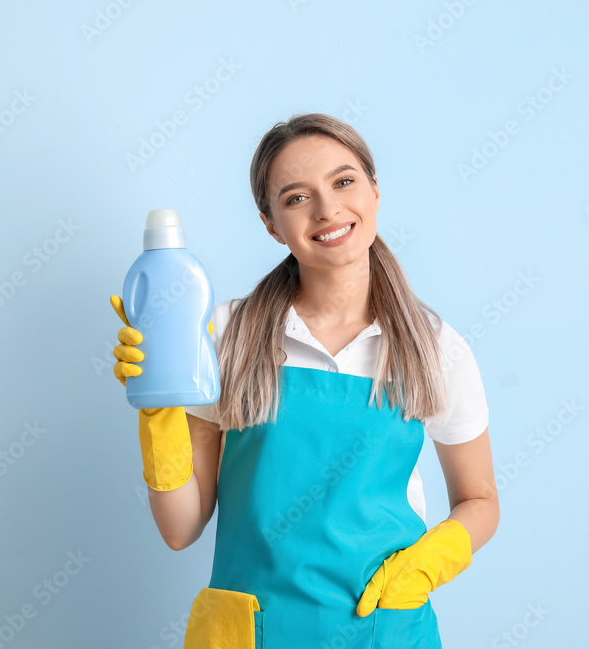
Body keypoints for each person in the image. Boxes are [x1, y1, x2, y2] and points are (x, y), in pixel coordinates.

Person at [110, 113, 498, 648]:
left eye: (344, 182)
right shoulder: (228, 335)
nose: (327, 209)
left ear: (375, 191)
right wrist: (160, 411)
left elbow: (479, 499)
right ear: (271, 224)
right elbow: (180, 528)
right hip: (257, 633)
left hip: (383, 631)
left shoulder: (433, 347)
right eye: (295, 198)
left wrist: (427, 566)